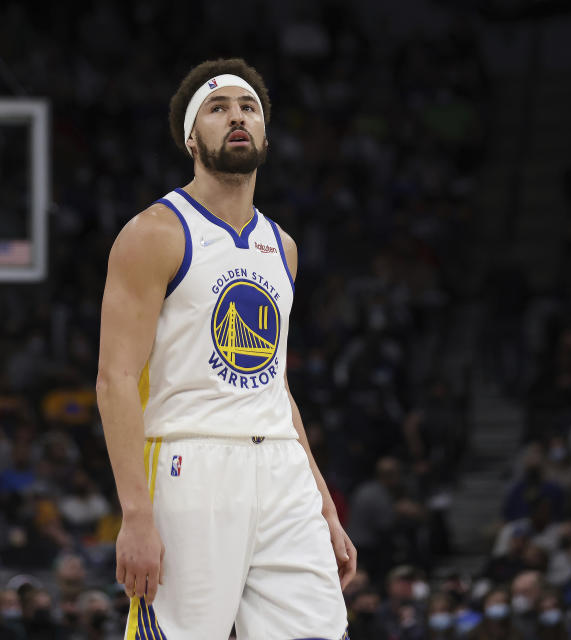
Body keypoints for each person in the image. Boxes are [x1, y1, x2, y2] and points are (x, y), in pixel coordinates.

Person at [96, 57, 355, 639]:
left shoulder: (281, 246)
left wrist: (323, 502)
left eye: (249, 108)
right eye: (217, 109)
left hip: (281, 470)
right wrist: (135, 514)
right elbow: (114, 380)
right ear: (192, 137)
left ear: (265, 132)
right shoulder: (154, 234)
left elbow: (275, 385)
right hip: (191, 464)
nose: (236, 117)